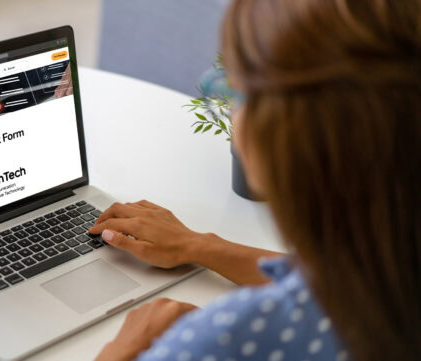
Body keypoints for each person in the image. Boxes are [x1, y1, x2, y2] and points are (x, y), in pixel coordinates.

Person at [89, 0, 421, 360]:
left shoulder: (220, 341)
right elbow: (343, 283)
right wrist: (199, 245)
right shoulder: (389, 278)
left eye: (235, 89)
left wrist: (117, 353)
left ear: (277, 135)